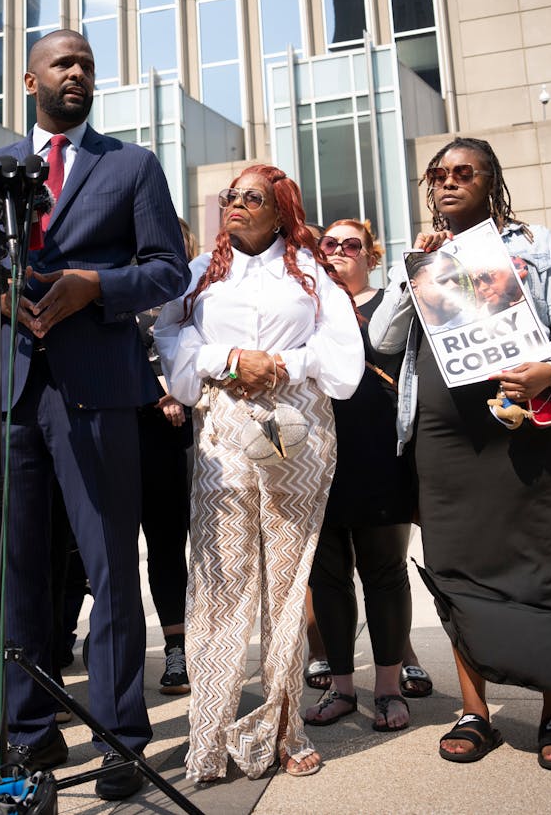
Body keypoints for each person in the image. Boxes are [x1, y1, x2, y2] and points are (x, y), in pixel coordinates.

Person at [0, 28, 189, 801]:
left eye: (88, 65)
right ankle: (31, 735)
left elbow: (166, 268)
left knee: (110, 567)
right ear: (29, 77)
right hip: (7, 392)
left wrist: (91, 285)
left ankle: (119, 740)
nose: (78, 73)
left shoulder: (131, 165)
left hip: (99, 391)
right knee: (17, 574)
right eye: (63, 63)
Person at [369, 137, 551, 771]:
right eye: (436, 175)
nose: (447, 183)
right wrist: (416, 271)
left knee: (542, 562)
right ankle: (476, 712)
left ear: (491, 181)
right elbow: (382, 337)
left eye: (463, 172)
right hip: (447, 434)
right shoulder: (422, 257)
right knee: (456, 565)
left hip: (528, 423)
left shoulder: (536, 244)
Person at [155, 165, 363, 783]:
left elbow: (343, 359)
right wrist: (227, 358)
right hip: (224, 436)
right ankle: (210, 738)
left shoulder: (311, 275)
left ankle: (285, 726)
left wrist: (282, 363)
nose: (237, 205)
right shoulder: (198, 276)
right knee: (220, 585)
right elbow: (169, 339)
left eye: (253, 197)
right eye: (231, 197)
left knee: (285, 584)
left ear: (281, 210)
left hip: (298, 440)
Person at [301, 220, 425, 734]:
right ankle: (343, 687)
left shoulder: (389, 305)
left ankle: (390, 688)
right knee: (327, 576)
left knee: (384, 572)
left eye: (351, 246)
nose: (337, 253)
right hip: (317, 458)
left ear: (371, 257)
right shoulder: (307, 308)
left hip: (380, 457)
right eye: (328, 245)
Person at [134, 217, 199, 696]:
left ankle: (193, 646)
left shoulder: (197, 288)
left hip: (190, 432)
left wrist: (175, 389)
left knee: (189, 546)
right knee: (148, 547)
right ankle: (159, 647)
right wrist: (156, 388)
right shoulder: (126, 289)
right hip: (135, 430)